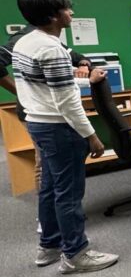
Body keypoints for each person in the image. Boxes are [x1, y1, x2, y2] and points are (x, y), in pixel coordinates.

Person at [11, 0, 118, 273]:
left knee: (50, 187)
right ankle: (76, 254)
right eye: (67, 9)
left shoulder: (26, 42)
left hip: (38, 122)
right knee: (69, 193)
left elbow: (47, 82)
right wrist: (91, 136)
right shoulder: (51, 49)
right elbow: (67, 102)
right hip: (59, 127)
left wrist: (80, 76)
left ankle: (49, 246)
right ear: (52, 16)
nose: (71, 13)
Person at [1, 23, 93, 191]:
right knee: (45, 163)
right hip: (36, 112)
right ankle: (46, 203)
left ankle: (53, 203)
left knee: (57, 164)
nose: (71, 13)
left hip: (52, 110)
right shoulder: (24, 39)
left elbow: (78, 57)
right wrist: (20, 91)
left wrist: (84, 64)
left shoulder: (48, 39)